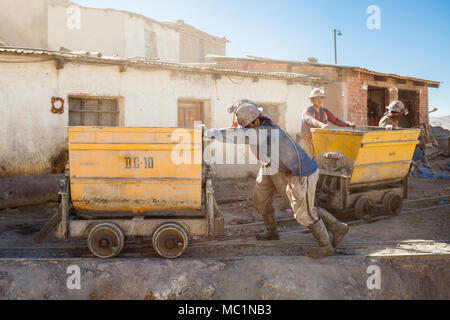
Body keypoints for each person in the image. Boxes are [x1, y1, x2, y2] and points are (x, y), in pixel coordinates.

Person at [206, 100, 349, 258]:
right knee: (260, 200)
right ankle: (272, 231)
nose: (246, 130)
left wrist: (211, 132)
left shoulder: (268, 131)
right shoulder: (259, 126)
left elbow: (239, 135)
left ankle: (327, 245)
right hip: (272, 166)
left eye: (248, 127)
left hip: (302, 172)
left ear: (257, 121)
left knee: (304, 213)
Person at [300, 88, 356, 157]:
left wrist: (348, 124)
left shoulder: (324, 111)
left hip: (320, 141)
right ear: (311, 100)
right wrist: (322, 125)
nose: (319, 100)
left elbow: (335, 120)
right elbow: (311, 120)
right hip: (307, 142)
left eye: (321, 98)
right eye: (317, 98)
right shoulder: (307, 111)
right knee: (309, 163)